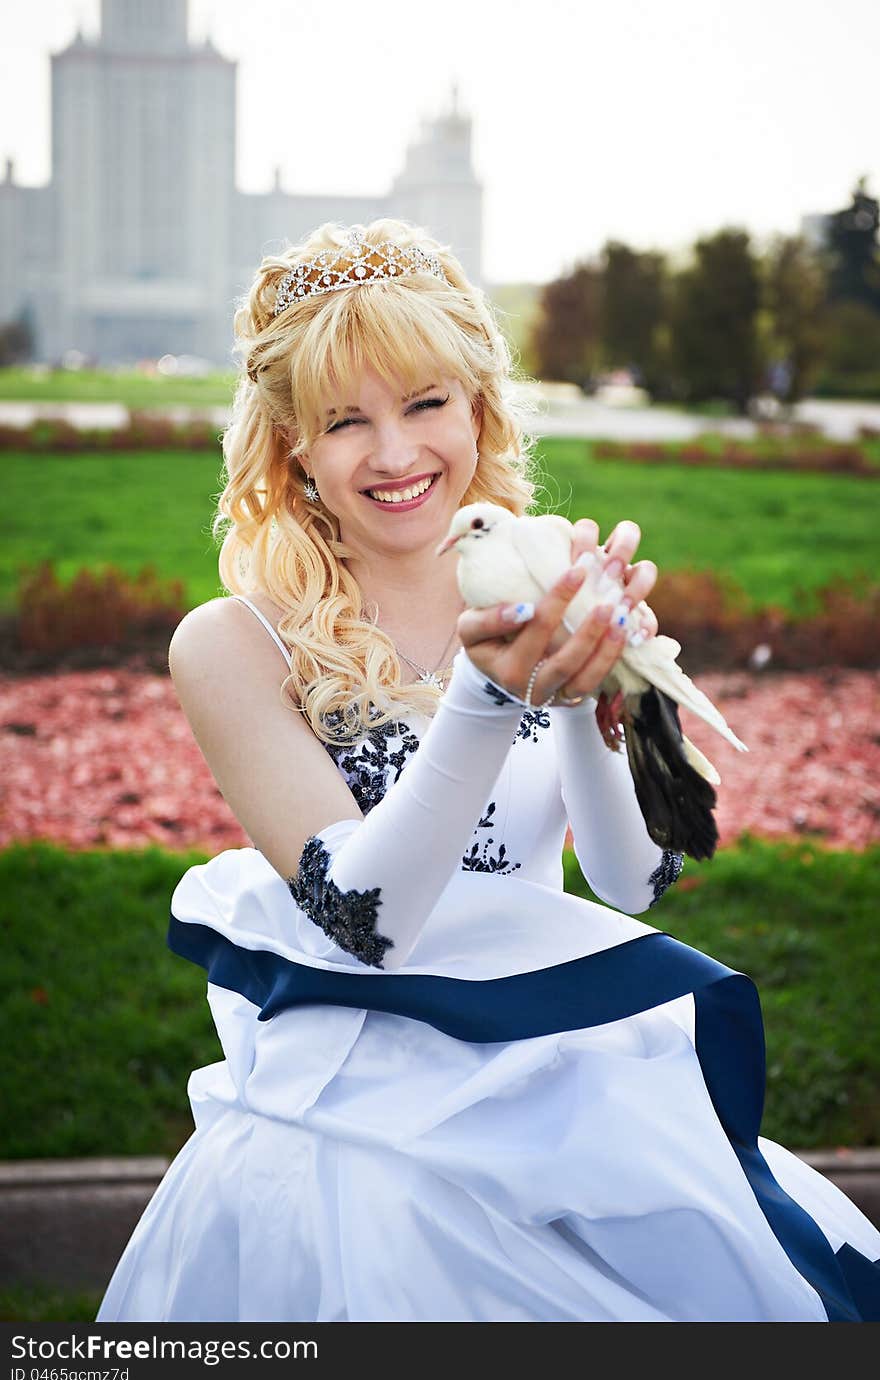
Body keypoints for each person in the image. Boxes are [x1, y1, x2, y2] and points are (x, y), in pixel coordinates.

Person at [97, 220, 879, 1323]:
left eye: (425, 404)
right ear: (292, 451)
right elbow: (367, 921)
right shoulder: (231, 644)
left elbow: (631, 885)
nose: (396, 451)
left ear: (477, 408)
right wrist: (493, 690)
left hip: (562, 1078)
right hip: (355, 1108)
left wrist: (587, 704)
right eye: (345, 421)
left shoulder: (552, 576)